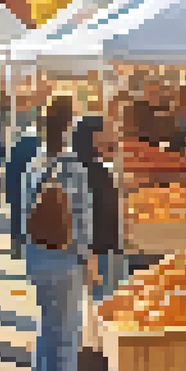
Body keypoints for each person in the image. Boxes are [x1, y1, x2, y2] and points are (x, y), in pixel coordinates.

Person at [19, 95, 95, 371]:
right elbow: (80, 216)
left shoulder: (34, 164)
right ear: (69, 124)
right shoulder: (72, 166)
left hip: (37, 254)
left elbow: (24, 211)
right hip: (64, 256)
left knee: (47, 318)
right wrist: (86, 254)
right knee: (66, 326)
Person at [73, 116, 122, 304]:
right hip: (97, 251)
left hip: (86, 251)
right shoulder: (96, 174)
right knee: (100, 306)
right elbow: (104, 212)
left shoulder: (75, 168)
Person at [6, 121, 43, 260]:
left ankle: (16, 246)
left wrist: (9, 191)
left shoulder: (20, 143)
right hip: (35, 188)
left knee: (17, 216)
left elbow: (10, 168)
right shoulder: (42, 146)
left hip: (17, 186)